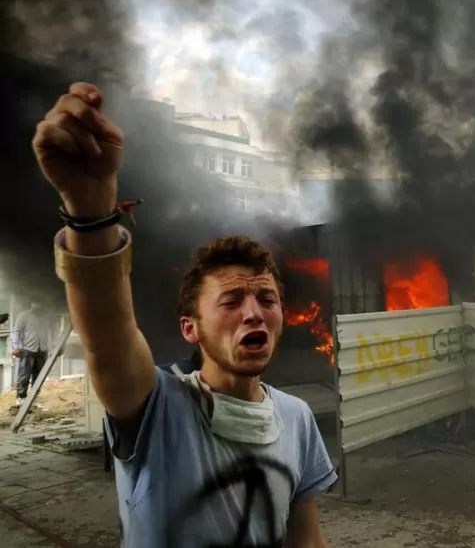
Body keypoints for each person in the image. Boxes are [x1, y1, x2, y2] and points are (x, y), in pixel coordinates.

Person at [32, 82, 336, 546]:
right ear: (189, 328)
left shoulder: (296, 418)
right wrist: (90, 211)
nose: (254, 313)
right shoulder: (157, 408)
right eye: (231, 302)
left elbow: (306, 538)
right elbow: (107, 335)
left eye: (266, 299)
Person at [11, 301, 51, 406]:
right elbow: (17, 332)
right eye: (35, 303)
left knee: (38, 377)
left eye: (39, 303)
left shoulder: (46, 317)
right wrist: (16, 347)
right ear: (31, 304)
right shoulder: (23, 316)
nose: (38, 305)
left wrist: (53, 346)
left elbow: (53, 330)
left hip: (42, 350)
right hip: (27, 350)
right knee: (24, 375)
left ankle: (34, 398)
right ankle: (21, 397)